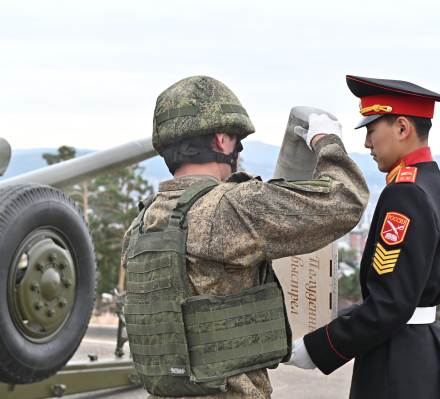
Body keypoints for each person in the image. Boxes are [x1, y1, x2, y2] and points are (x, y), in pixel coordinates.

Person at [120, 75, 369, 399]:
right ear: (222, 140)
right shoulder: (230, 207)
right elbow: (346, 199)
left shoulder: (141, 224)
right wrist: (327, 140)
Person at [286, 75, 440, 399]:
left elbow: (388, 304)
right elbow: (399, 294)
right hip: (421, 349)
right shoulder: (432, 183)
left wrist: (316, 349)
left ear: (401, 128)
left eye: (371, 130)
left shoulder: (406, 193)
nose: (367, 143)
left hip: (396, 364)